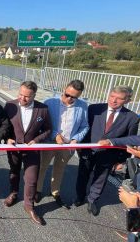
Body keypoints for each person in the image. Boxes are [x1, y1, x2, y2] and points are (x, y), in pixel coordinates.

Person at [75, 85, 140, 216]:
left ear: (127, 100)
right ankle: (79, 196)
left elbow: (129, 140)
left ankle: (92, 200)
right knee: (83, 174)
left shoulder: (132, 117)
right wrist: (79, 147)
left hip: (109, 155)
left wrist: (122, 160)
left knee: (101, 178)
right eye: (112, 96)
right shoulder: (94, 109)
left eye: (119, 99)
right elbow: (85, 128)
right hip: (88, 150)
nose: (113, 100)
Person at [3, 81, 51, 225]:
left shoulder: (43, 109)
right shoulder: (9, 106)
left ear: (34, 96)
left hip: (32, 149)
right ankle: (13, 193)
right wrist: (7, 138)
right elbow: (3, 126)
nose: (22, 99)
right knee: (14, 172)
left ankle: (29, 206)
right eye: (20, 94)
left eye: (27, 97)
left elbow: (48, 129)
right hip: (14, 148)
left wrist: (37, 140)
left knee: (31, 179)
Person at [36, 80, 89, 208]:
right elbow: (43, 123)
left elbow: (85, 126)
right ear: (64, 89)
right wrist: (55, 134)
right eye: (67, 95)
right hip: (50, 143)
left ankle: (55, 192)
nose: (69, 99)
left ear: (80, 95)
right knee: (42, 167)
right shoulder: (49, 102)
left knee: (59, 169)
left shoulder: (82, 106)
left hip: (68, 145)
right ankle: (37, 190)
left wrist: (76, 139)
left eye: (74, 97)